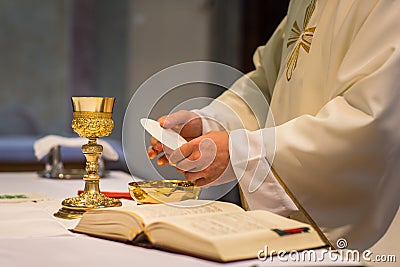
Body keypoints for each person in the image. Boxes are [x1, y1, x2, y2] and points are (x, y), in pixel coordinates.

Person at [147, 0, 400, 250]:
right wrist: (208, 123)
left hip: (363, 243)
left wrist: (240, 151)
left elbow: (370, 124)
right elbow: (269, 86)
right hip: (288, 237)